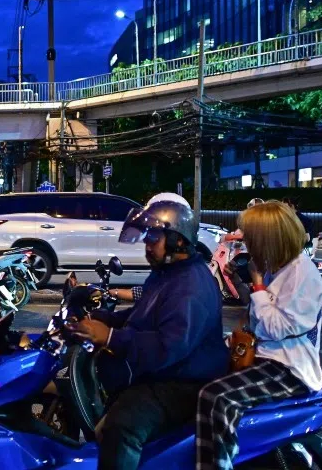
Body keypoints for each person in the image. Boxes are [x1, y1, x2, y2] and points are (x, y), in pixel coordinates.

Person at [66, 193, 228, 470]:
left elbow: (169, 346)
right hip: (165, 374)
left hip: (183, 382)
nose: (146, 245)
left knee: (121, 428)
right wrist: (102, 318)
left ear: (177, 240)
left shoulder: (190, 286)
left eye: (154, 238)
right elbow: (142, 316)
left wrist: (110, 337)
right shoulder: (168, 274)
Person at [196, 201, 322, 470]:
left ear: (269, 239)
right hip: (266, 357)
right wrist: (244, 283)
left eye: (252, 239)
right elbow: (258, 310)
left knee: (217, 397)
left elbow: (273, 328)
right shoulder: (279, 267)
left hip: (288, 368)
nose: (248, 246)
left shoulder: (303, 274)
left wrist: (256, 282)